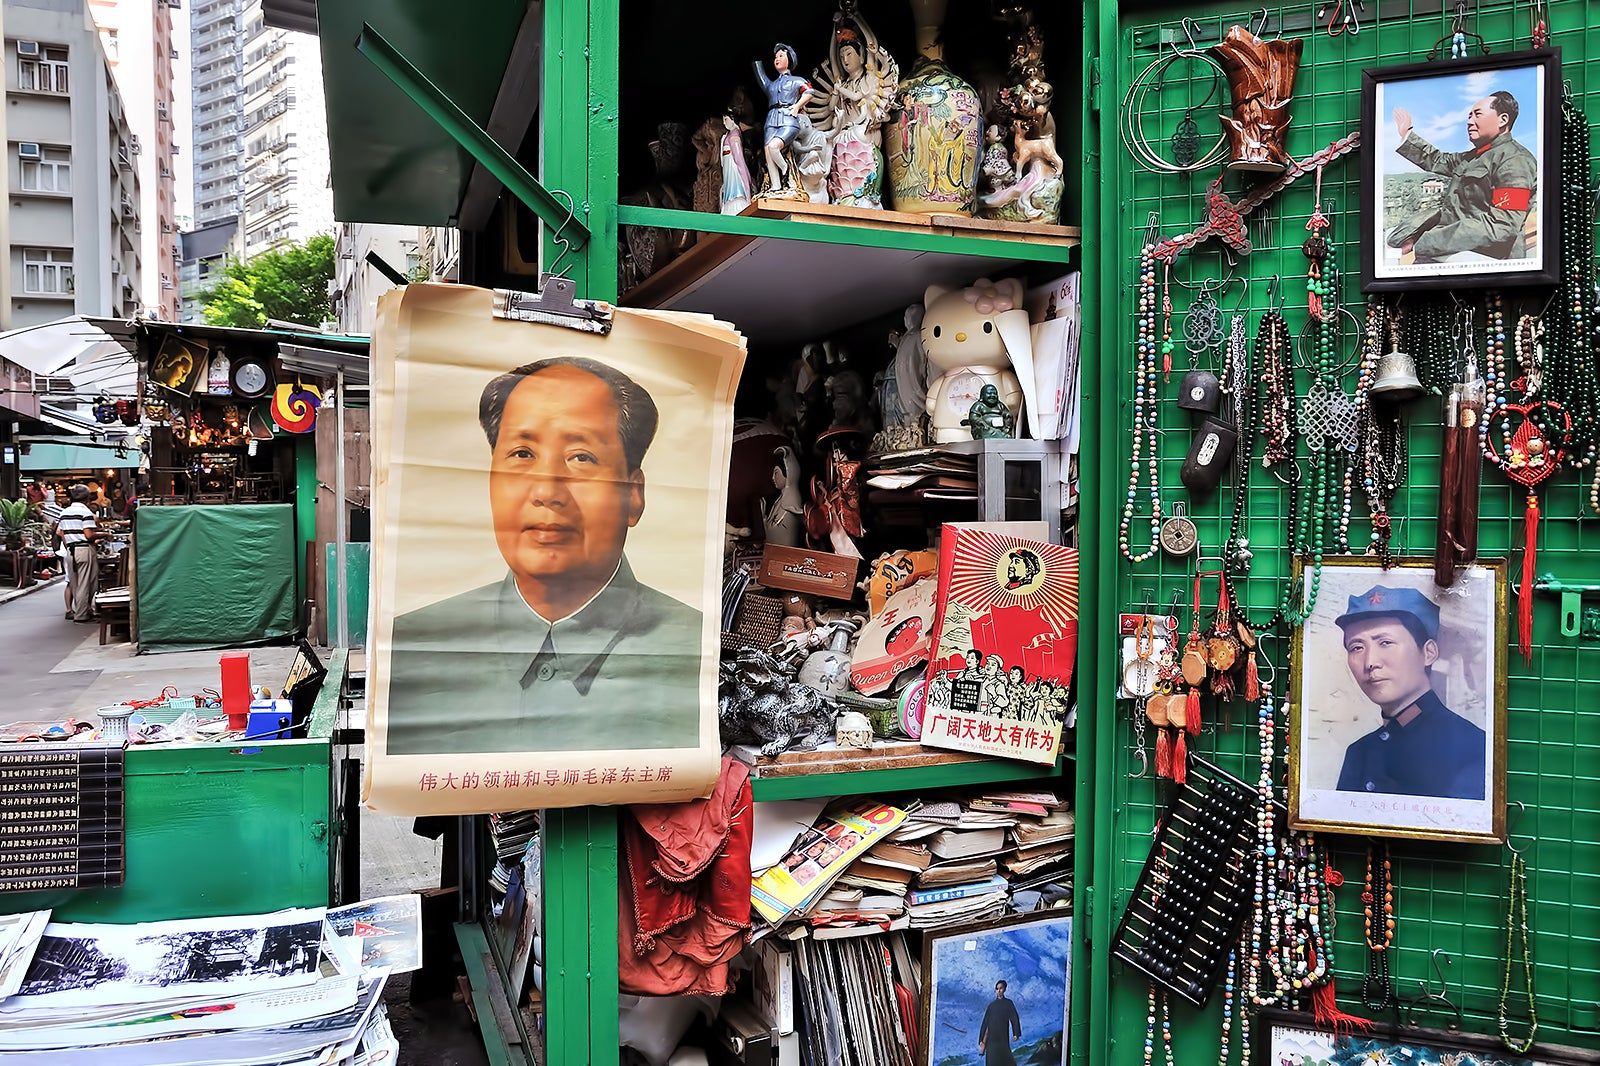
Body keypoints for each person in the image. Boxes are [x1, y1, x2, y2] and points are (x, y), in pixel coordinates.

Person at [384, 356, 704, 756]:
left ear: (633, 495)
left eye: (581, 458)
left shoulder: (697, 652)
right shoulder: (414, 646)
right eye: (521, 454)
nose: (547, 490)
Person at [1333, 585, 1487, 800]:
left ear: (1428, 652)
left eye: (1385, 643)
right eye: (1357, 647)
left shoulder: (1474, 746)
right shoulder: (1359, 752)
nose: (1370, 662)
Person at [1388, 92, 1537, 263]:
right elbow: (1438, 159)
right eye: (1469, 115)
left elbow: (1502, 226)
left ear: (1503, 120)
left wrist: (1426, 242)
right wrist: (1407, 134)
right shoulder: (1474, 157)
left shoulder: (1515, 161)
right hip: (1449, 249)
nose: (1469, 121)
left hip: (1484, 260)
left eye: (1477, 114)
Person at [753, 43, 817, 194]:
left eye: (781, 55)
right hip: (771, 118)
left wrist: (796, 106)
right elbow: (761, 77)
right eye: (776, 56)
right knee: (768, 151)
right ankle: (776, 185)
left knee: (774, 147)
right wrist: (756, 62)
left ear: (789, 59)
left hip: (788, 118)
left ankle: (785, 168)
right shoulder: (772, 85)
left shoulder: (796, 80)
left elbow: (809, 92)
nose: (777, 59)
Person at [56, 485, 99, 623]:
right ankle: (81, 614)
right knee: (88, 582)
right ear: (87, 498)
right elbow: (89, 535)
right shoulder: (86, 512)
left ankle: (83, 609)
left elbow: (60, 533)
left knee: (75, 583)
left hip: (71, 550)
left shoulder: (64, 512)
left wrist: (69, 543)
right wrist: (105, 534)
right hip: (84, 548)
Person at [977, 979, 1022, 1066]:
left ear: (1005, 989)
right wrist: (981, 1040)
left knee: (1006, 1060)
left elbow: (1014, 1018)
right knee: (992, 1061)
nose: (999, 991)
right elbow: (985, 1023)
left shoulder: (1008, 1003)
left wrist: (1016, 1033)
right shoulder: (991, 1006)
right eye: (997, 989)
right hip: (991, 1039)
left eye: (1001, 988)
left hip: (1002, 1037)